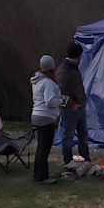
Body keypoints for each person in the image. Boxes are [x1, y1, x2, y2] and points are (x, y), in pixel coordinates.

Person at [56, 41, 90, 164]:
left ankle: (86, 160)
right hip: (71, 109)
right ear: (78, 55)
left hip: (79, 107)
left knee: (83, 136)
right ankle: (68, 162)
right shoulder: (64, 70)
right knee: (68, 137)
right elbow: (59, 92)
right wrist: (71, 104)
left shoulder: (72, 68)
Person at [31, 55, 63, 184]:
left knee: (41, 148)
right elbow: (49, 101)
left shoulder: (37, 81)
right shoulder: (48, 82)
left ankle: (39, 175)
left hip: (36, 115)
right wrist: (61, 101)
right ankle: (42, 177)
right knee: (44, 148)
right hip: (45, 117)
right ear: (51, 68)